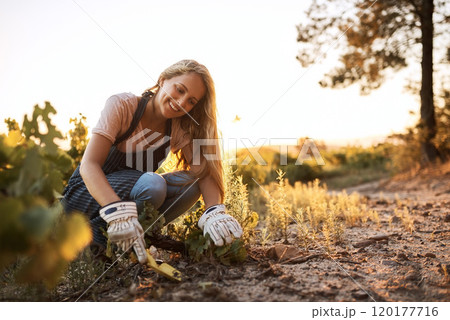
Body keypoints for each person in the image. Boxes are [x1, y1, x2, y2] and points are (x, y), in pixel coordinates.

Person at [62, 59, 242, 263]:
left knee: (191, 185)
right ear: (163, 80)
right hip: (81, 196)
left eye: (191, 101)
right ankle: (92, 247)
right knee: (153, 184)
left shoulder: (178, 127)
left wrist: (214, 211)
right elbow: (89, 165)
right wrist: (118, 212)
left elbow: (203, 173)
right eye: (180, 90)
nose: (182, 103)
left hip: (128, 198)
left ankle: (127, 246)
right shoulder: (123, 105)